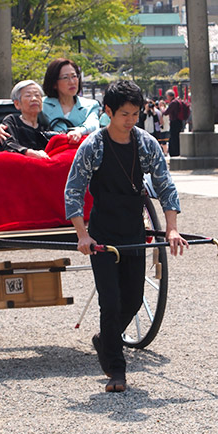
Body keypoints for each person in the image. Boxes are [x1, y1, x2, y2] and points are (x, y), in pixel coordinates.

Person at [65, 80, 188, 393]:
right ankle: (116, 371)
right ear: (108, 112)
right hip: (103, 233)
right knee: (111, 300)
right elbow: (74, 191)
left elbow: (165, 186)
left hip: (134, 230)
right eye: (124, 114)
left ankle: (105, 340)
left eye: (136, 113)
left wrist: (171, 227)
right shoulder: (93, 145)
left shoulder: (145, 143)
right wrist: (82, 235)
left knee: (132, 299)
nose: (130, 120)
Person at [41, 58, 101, 143]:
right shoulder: (42, 106)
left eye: (74, 76)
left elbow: (94, 125)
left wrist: (80, 131)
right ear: (54, 83)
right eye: (65, 78)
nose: (72, 82)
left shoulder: (91, 105)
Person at [0, 80, 50, 159]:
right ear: (17, 104)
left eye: (37, 95)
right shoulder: (12, 121)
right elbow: (8, 143)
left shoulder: (44, 123)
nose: (34, 99)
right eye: (28, 96)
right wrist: (28, 152)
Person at [164, 90, 182, 157]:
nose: (167, 98)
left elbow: (166, 112)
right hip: (179, 122)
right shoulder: (177, 101)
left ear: (169, 96)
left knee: (174, 137)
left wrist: (162, 109)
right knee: (176, 137)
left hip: (174, 122)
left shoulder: (173, 103)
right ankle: (176, 151)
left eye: (167, 96)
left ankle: (175, 152)